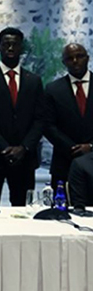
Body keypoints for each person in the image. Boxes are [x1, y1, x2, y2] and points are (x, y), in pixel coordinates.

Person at [0, 27, 44, 206]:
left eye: (15, 44)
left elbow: (40, 119)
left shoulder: (34, 81)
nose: (11, 48)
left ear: (22, 48)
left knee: (22, 210)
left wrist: (24, 147)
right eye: (6, 44)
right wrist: (4, 148)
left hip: (24, 158)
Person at [44, 43, 93, 187]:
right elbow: (48, 125)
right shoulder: (53, 89)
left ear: (88, 58)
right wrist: (72, 148)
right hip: (64, 162)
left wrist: (91, 146)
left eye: (79, 56)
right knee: (62, 201)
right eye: (70, 58)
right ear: (63, 62)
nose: (75, 61)